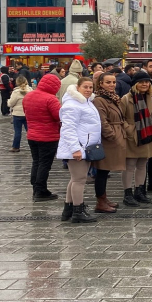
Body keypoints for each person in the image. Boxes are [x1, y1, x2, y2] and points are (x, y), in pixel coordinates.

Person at [55, 77, 102, 223]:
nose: (88, 90)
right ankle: (78, 210)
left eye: (90, 87)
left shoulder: (86, 102)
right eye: (85, 87)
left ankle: (68, 209)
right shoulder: (72, 105)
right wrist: (76, 149)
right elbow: (68, 129)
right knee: (79, 180)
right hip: (78, 147)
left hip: (85, 147)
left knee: (75, 179)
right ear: (77, 87)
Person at [120, 70, 152, 206]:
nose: (144, 84)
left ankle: (139, 191)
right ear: (135, 84)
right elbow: (120, 118)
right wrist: (129, 129)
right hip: (133, 135)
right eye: (141, 82)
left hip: (147, 134)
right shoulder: (126, 98)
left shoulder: (151, 97)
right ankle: (127, 194)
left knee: (142, 164)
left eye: (146, 82)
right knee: (130, 165)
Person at [92, 72, 127, 213]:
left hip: (116, 135)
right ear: (101, 84)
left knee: (105, 171)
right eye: (108, 82)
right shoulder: (100, 100)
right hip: (108, 140)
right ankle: (100, 201)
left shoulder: (113, 98)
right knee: (102, 170)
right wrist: (112, 135)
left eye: (113, 82)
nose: (112, 85)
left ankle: (104, 198)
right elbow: (102, 120)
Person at [23, 73, 62, 200]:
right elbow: (58, 116)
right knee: (45, 164)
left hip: (32, 135)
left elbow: (25, 112)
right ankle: (40, 191)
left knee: (36, 162)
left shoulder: (29, 96)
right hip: (48, 136)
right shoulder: (51, 99)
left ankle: (35, 188)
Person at [7, 75, 31, 153]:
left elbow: (10, 104)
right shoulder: (31, 90)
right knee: (30, 131)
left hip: (17, 114)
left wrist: (8, 101)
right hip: (28, 113)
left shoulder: (16, 92)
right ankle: (34, 145)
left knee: (17, 132)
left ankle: (16, 147)